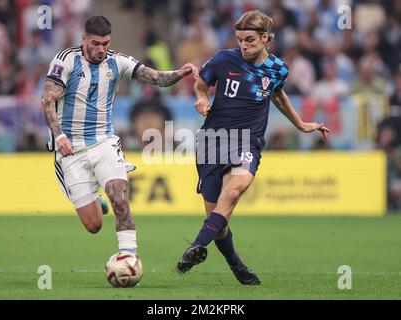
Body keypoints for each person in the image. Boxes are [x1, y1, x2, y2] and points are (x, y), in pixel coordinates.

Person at [176, 10, 329, 285]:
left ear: (266, 38)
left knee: (233, 191)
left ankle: (196, 246)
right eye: (240, 40)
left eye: (249, 40)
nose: (244, 46)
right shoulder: (224, 59)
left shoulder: (278, 69)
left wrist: (301, 124)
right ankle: (237, 266)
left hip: (248, 141)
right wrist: (201, 99)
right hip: (212, 141)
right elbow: (201, 84)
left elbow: (278, 95)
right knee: (217, 219)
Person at [41, 16, 197, 258]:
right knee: (94, 225)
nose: (101, 49)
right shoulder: (65, 60)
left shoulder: (117, 62)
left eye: (105, 43)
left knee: (120, 198)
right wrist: (59, 135)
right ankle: (94, 194)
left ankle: (129, 259)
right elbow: (48, 100)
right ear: (84, 39)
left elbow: (156, 78)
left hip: (104, 143)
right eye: (95, 43)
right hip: (70, 149)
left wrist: (181, 72)